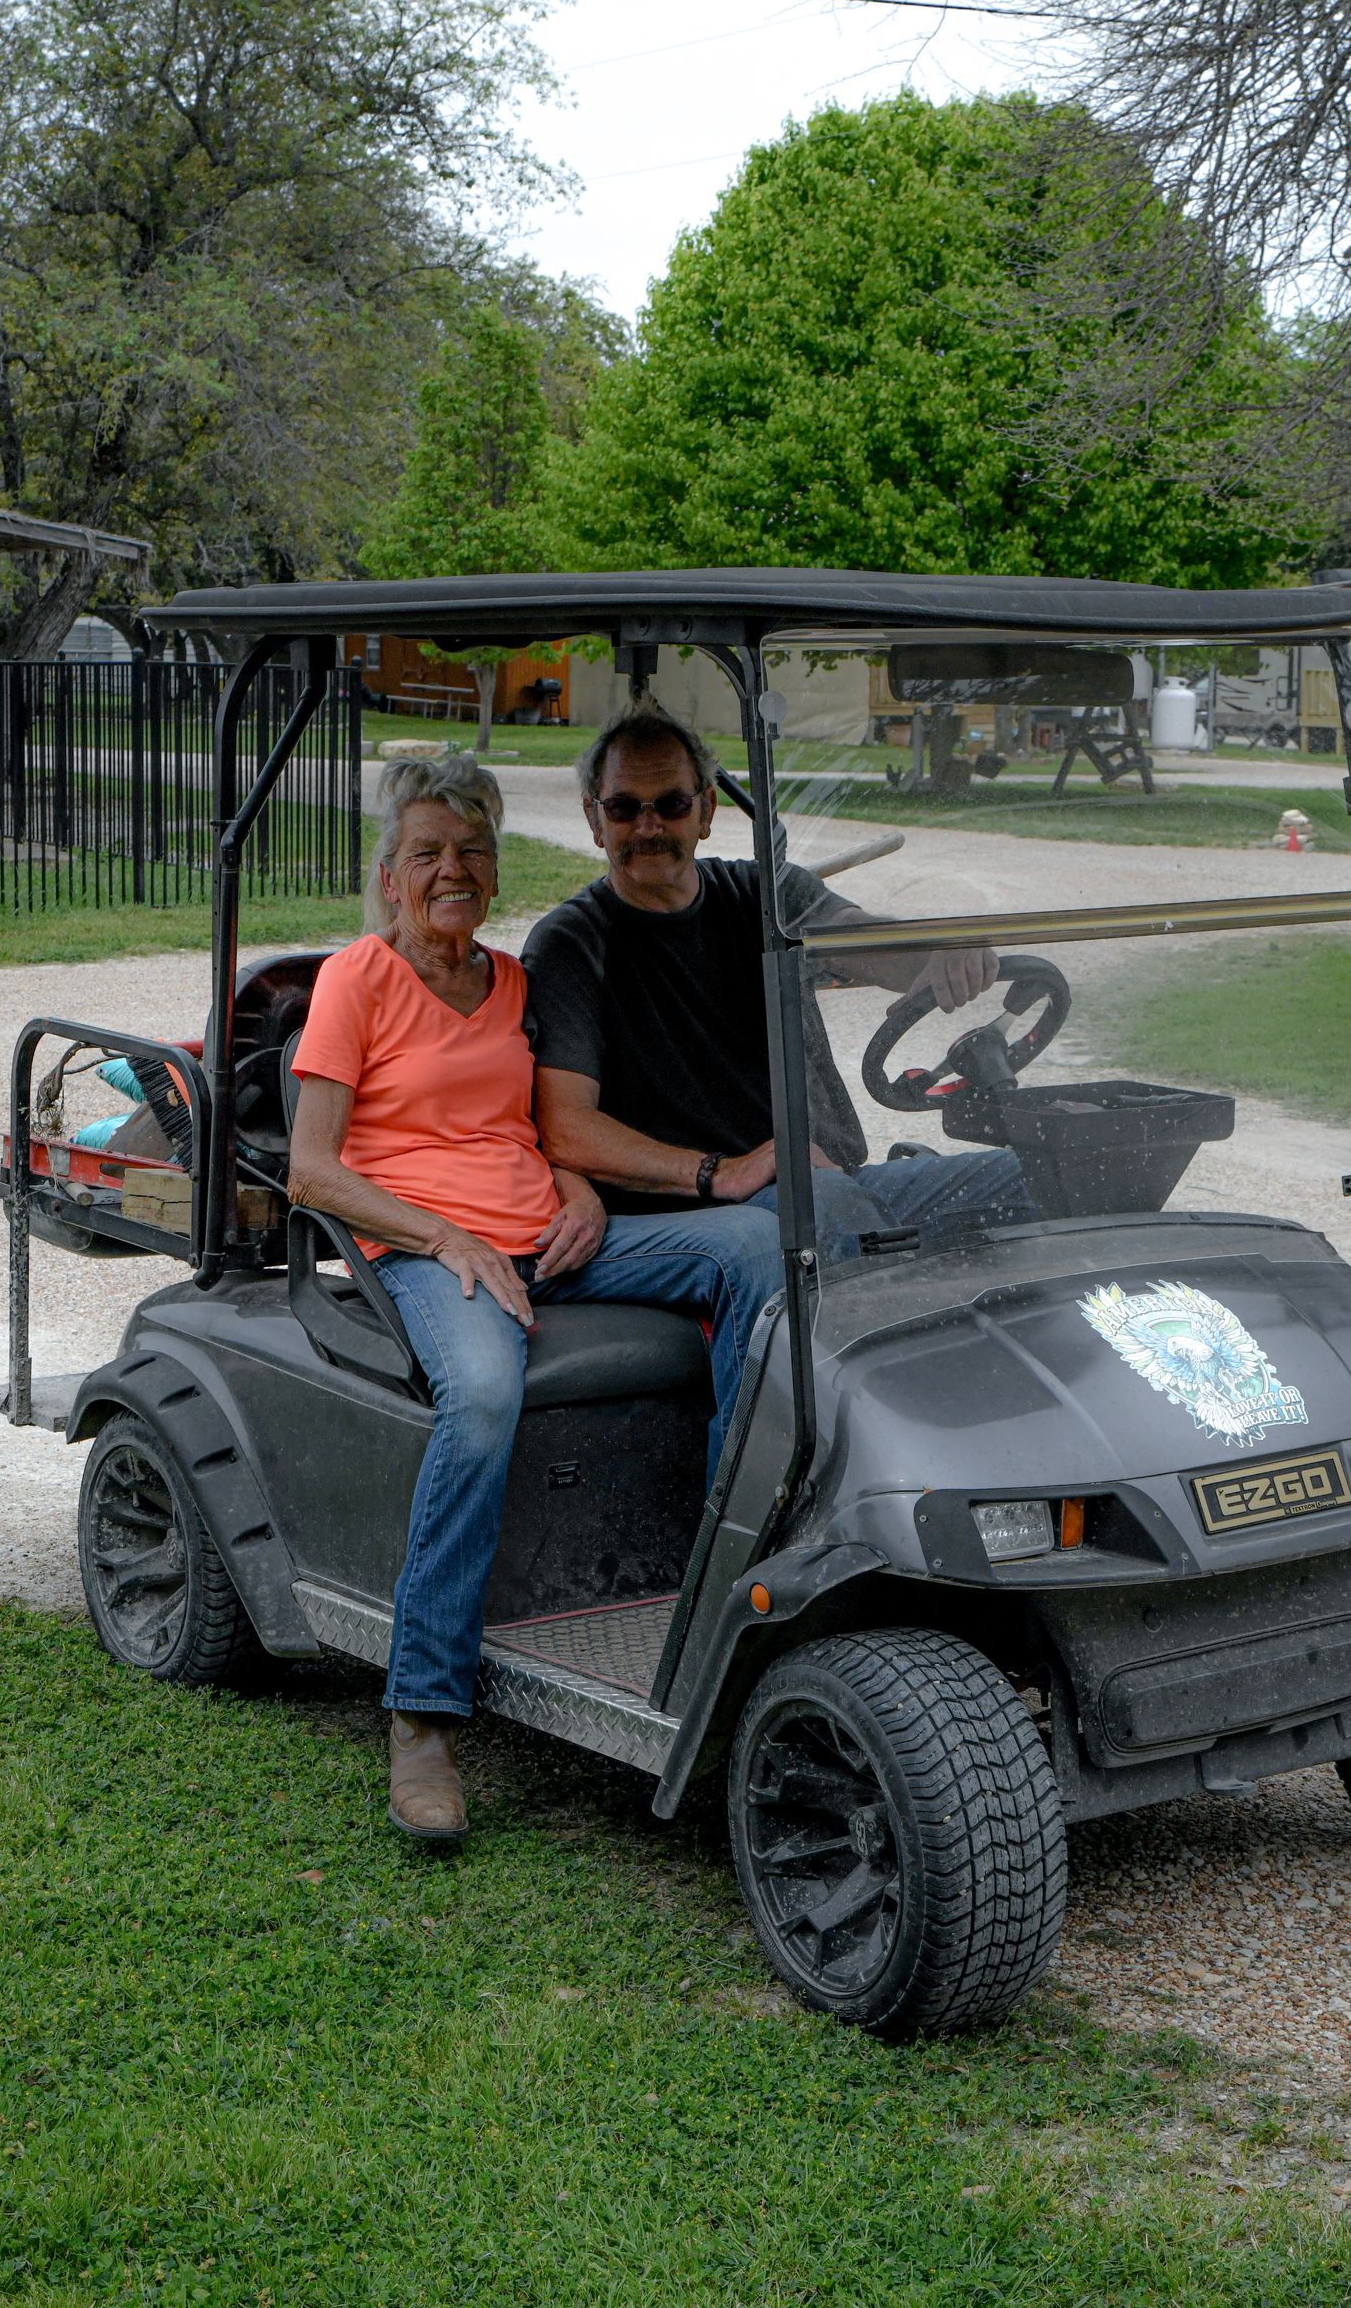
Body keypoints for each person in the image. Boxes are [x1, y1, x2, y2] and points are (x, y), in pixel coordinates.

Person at [288, 754, 783, 1848]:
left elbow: (533, 1130)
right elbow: (312, 1171)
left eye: (471, 851)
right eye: (428, 853)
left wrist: (575, 1192)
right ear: (387, 878)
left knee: (753, 1247)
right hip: (427, 1254)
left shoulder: (512, 984)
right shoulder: (355, 982)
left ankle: (721, 1572)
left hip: (548, 1240)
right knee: (481, 1397)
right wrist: (446, 1236)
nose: (451, 870)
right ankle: (423, 1713)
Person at [522, 701, 1033, 1255]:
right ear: (595, 820)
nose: (648, 827)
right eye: (624, 808)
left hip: (822, 1183)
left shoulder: (767, 896)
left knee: (1036, 1173)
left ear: (707, 811)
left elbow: (858, 938)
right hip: (704, 1216)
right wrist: (722, 1171)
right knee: (838, 1218)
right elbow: (567, 1128)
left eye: (671, 804)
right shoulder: (571, 945)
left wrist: (937, 948)